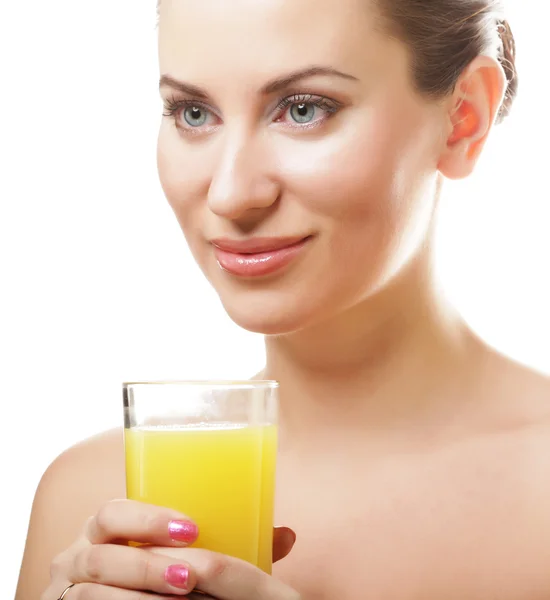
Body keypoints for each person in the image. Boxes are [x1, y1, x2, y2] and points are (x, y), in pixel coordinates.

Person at [16, 0, 550, 598]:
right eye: (193, 112)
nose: (231, 193)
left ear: (463, 117)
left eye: (303, 109)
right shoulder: (90, 504)